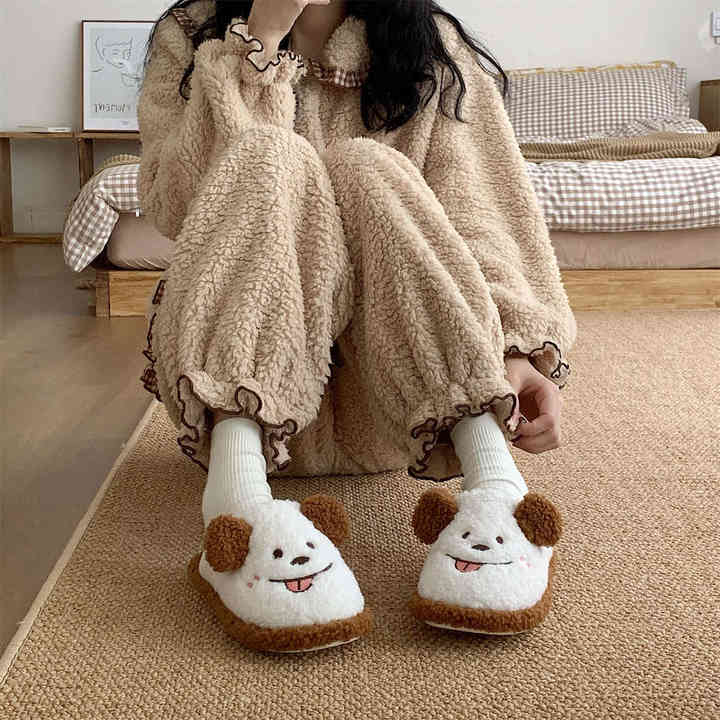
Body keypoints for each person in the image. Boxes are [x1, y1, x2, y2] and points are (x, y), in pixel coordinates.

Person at [137, 0, 578, 653]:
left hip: (401, 409)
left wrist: (515, 350)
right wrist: (256, 45)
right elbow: (180, 207)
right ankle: (234, 512)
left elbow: (483, 211)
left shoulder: (430, 44)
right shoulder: (190, 32)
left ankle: (494, 481)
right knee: (268, 154)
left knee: (368, 164)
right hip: (239, 419)